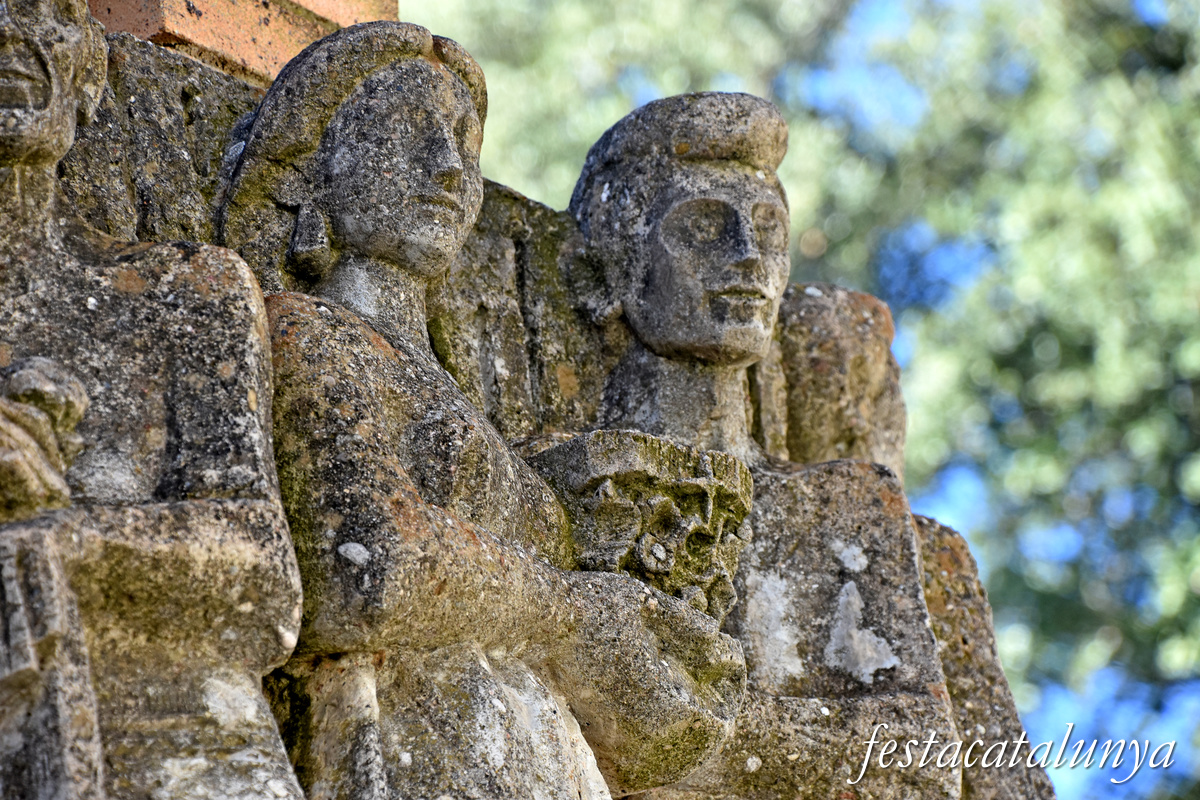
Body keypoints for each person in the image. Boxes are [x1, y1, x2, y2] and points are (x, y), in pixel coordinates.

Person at [220, 22, 745, 799]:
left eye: (464, 144)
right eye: (406, 133)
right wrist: (565, 616)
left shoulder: (462, 404)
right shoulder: (317, 337)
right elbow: (359, 561)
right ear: (311, 175)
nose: (446, 167)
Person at [569, 93, 962, 797]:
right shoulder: (559, 481)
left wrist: (697, 728)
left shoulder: (840, 503)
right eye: (703, 228)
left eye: (767, 231)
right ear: (613, 266)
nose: (747, 258)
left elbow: (924, 757)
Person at [0, 0, 304, 796]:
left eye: (47, 11)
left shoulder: (181, 292)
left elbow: (265, 574)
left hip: (171, 738)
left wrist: (60, 539)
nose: (11, 29)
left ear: (91, 74)